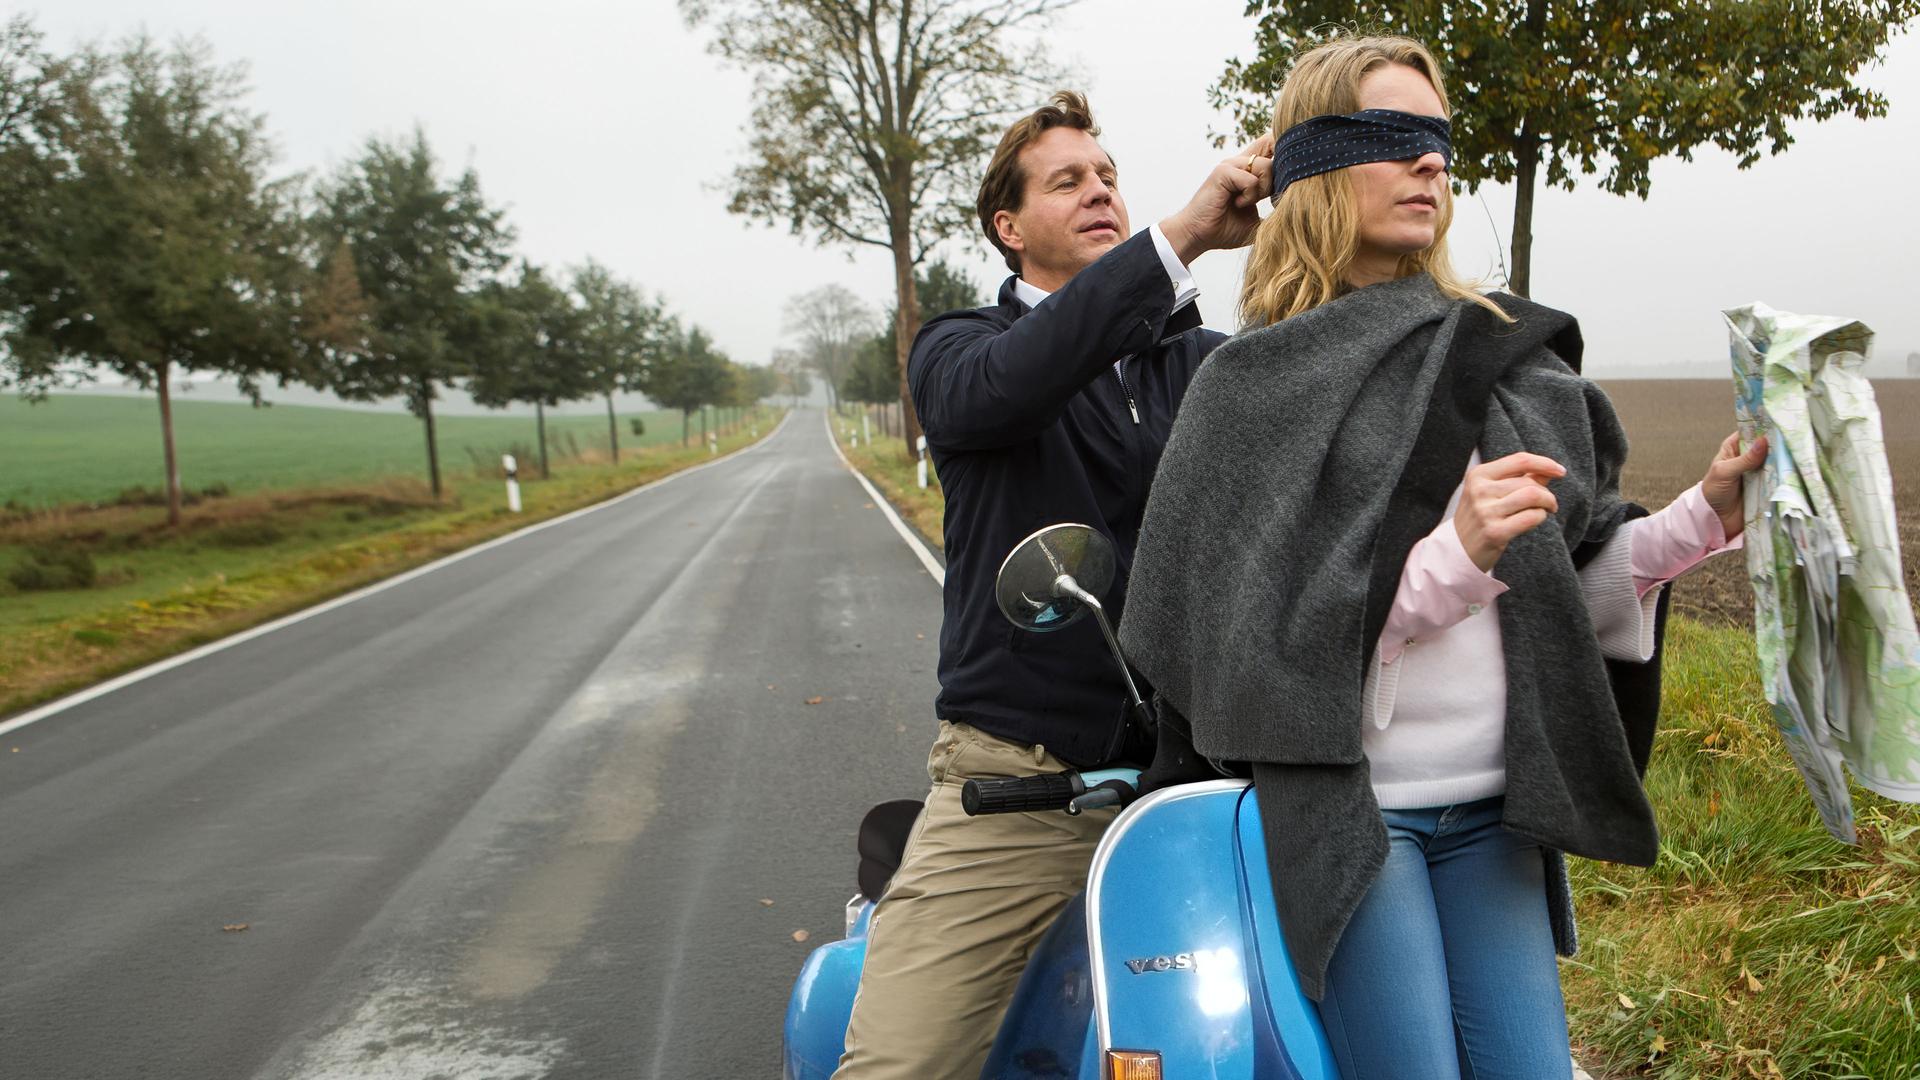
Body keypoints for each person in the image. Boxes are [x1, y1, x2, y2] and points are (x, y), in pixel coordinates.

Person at [1116, 35, 1769, 1080]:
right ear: (1319, 164)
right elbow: (1258, 658)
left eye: (1441, 143)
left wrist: (1706, 516)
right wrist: (1452, 555)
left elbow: (1566, 593)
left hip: (1495, 816)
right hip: (1354, 821)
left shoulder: (1505, 356)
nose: (1430, 165)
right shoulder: (1248, 392)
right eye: (1394, 138)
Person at [833, 92, 1271, 1079]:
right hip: (1020, 792)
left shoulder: (1192, 363)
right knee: (894, 1068)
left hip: (1190, 787)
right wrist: (1183, 236)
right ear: (1009, 226)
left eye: (1108, 175)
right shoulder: (958, 355)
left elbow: (1302, 407)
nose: (1098, 191)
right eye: (1066, 181)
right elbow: (1027, 374)